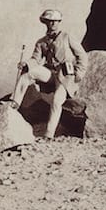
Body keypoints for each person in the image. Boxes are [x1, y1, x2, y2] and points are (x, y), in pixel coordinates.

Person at [11, 8, 87, 139]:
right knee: (27, 74)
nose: (52, 24)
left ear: (59, 22)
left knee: (57, 101)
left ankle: (48, 135)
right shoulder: (41, 42)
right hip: (50, 73)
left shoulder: (66, 36)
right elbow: (35, 59)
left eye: (55, 21)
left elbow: (82, 55)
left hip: (66, 75)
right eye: (49, 21)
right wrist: (26, 64)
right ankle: (14, 103)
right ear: (45, 22)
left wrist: (79, 72)